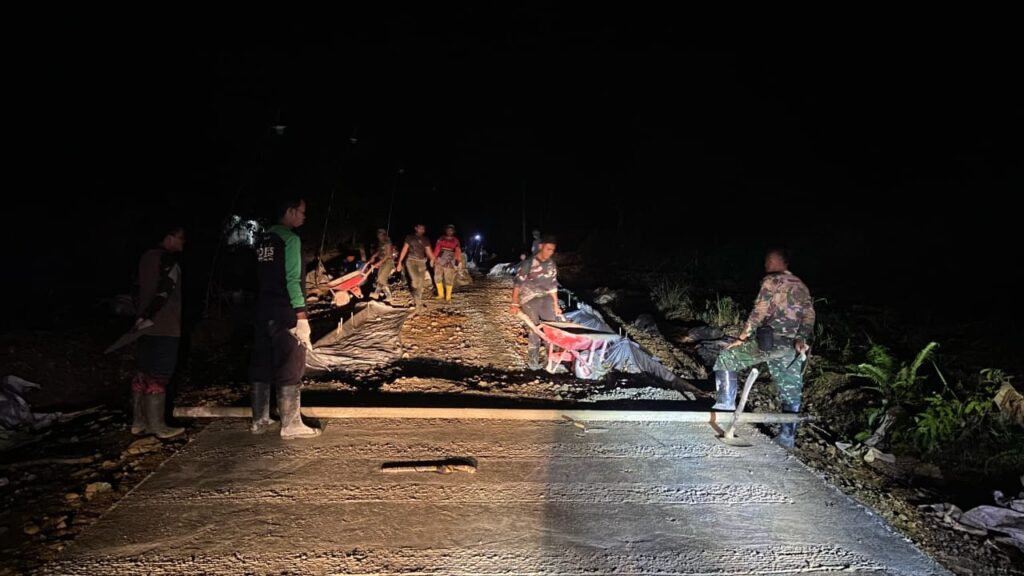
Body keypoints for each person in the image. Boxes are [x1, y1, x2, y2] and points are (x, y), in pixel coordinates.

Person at [712, 247, 815, 448]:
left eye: (770, 260)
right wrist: (801, 338)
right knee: (791, 389)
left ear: (781, 262)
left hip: (770, 341)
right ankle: (787, 437)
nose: (766, 264)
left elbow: (758, 313)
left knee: (726, 357)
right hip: (791, 346)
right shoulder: (801, 285)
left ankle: (725, 408)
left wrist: (742, 338)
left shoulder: (771, 281)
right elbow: (809, 315)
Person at [250, 196, 321, 439]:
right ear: (290, 212)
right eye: (301, 211)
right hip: (284, 310)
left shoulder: (262, 239)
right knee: (291, 362)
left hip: (262, 309)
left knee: (262, 361)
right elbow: (292, 280)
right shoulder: (290, 239)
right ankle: (291, 424)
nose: (303, 216)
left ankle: (259, 420)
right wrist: (301, 316)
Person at [130, 224, 186, 439]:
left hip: (142, 329)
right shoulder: (168, 260)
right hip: (164, 326)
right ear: (169, 237)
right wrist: (150, 316)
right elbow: (164, 291)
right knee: (159, 375)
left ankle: (139, 422)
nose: (183, 242)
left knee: (142, 373)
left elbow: (136, 289)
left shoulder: (145, 258)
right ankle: (158, 426)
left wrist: (139, 317)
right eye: (180, 238)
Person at [510, 235, 562, 370]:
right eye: (548, 249)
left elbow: (553, 286)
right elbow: (517, 284)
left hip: (546, 298)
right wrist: (514, 303)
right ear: (540, 247)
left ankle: (551, 361)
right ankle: (533, 362)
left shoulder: (551, 264)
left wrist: (556, 304)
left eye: (552, 250)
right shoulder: (528, 263)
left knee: (551, 329)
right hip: (529, 298)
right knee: (535, 329)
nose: (550, 252)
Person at [396, 224, 435, 311]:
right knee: (416, 280)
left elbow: (429, 251)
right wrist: (399, 262)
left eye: (423, 229)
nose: (421, 230)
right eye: (420, 228)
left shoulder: (425, 239)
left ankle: (418, 301)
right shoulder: (410, 237)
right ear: (416, 228)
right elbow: (404, 249)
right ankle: (418, 304)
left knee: (421, 283)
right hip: (411, 261)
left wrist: (434, 260)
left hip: (422, 262)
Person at [433, 224, 462, 302]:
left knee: (449, 278)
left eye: (451, 230)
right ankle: (441, 294)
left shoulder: (456, 240)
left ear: (453, 231)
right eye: (448, 230)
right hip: (440, 259)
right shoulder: (441, 238)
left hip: (450, 260)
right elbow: (437, 248)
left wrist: (458, 262)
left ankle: (448, 297)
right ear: (446, 230)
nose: (449, 231)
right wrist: (433, 259)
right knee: (437, 276)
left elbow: (458, 251)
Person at [367, 228, 395, 300]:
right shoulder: (380, 242)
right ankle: (377, 294)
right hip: (382, 262)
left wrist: (379, 262)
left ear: (384, 235)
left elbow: (388, 254)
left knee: (381, 278)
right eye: (378, 235)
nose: (379, 236)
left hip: (388, 262)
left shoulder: (387, 242)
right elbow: (379, 251)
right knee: (380, 279)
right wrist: (373, 256)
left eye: (380, 235)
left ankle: (387, 295)